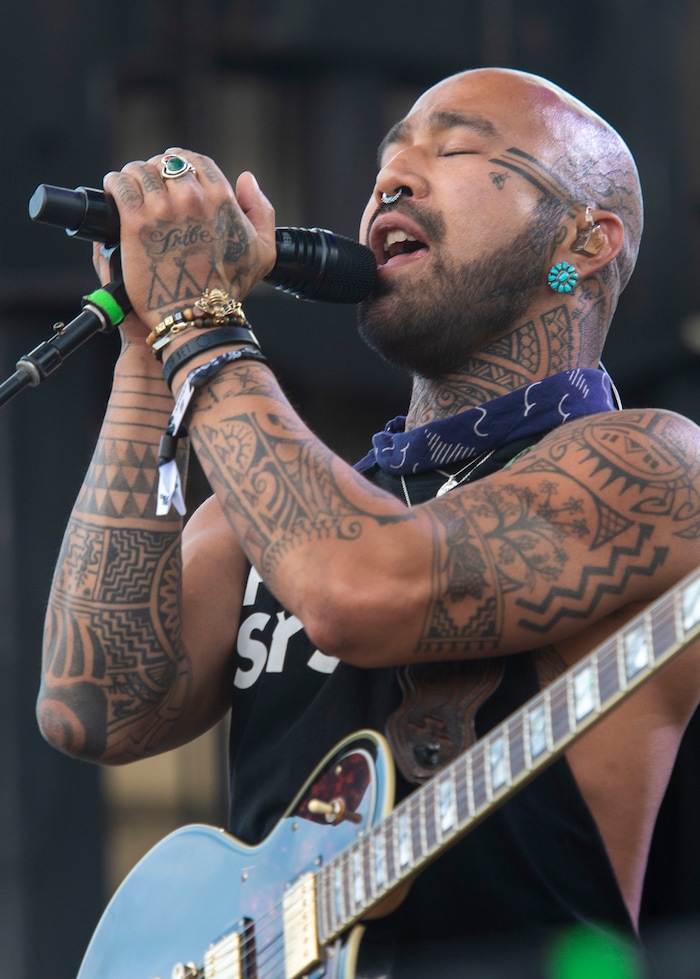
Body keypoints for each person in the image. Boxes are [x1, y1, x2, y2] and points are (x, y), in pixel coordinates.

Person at [39, 66, 700, 974]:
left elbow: (359, 588)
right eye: (388, 158)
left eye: (456, 148)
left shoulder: (652, 464)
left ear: (586, 237)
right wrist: (149, 347)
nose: (394, 176)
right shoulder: (267, 519)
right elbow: (95, 705)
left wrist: (198, 314)